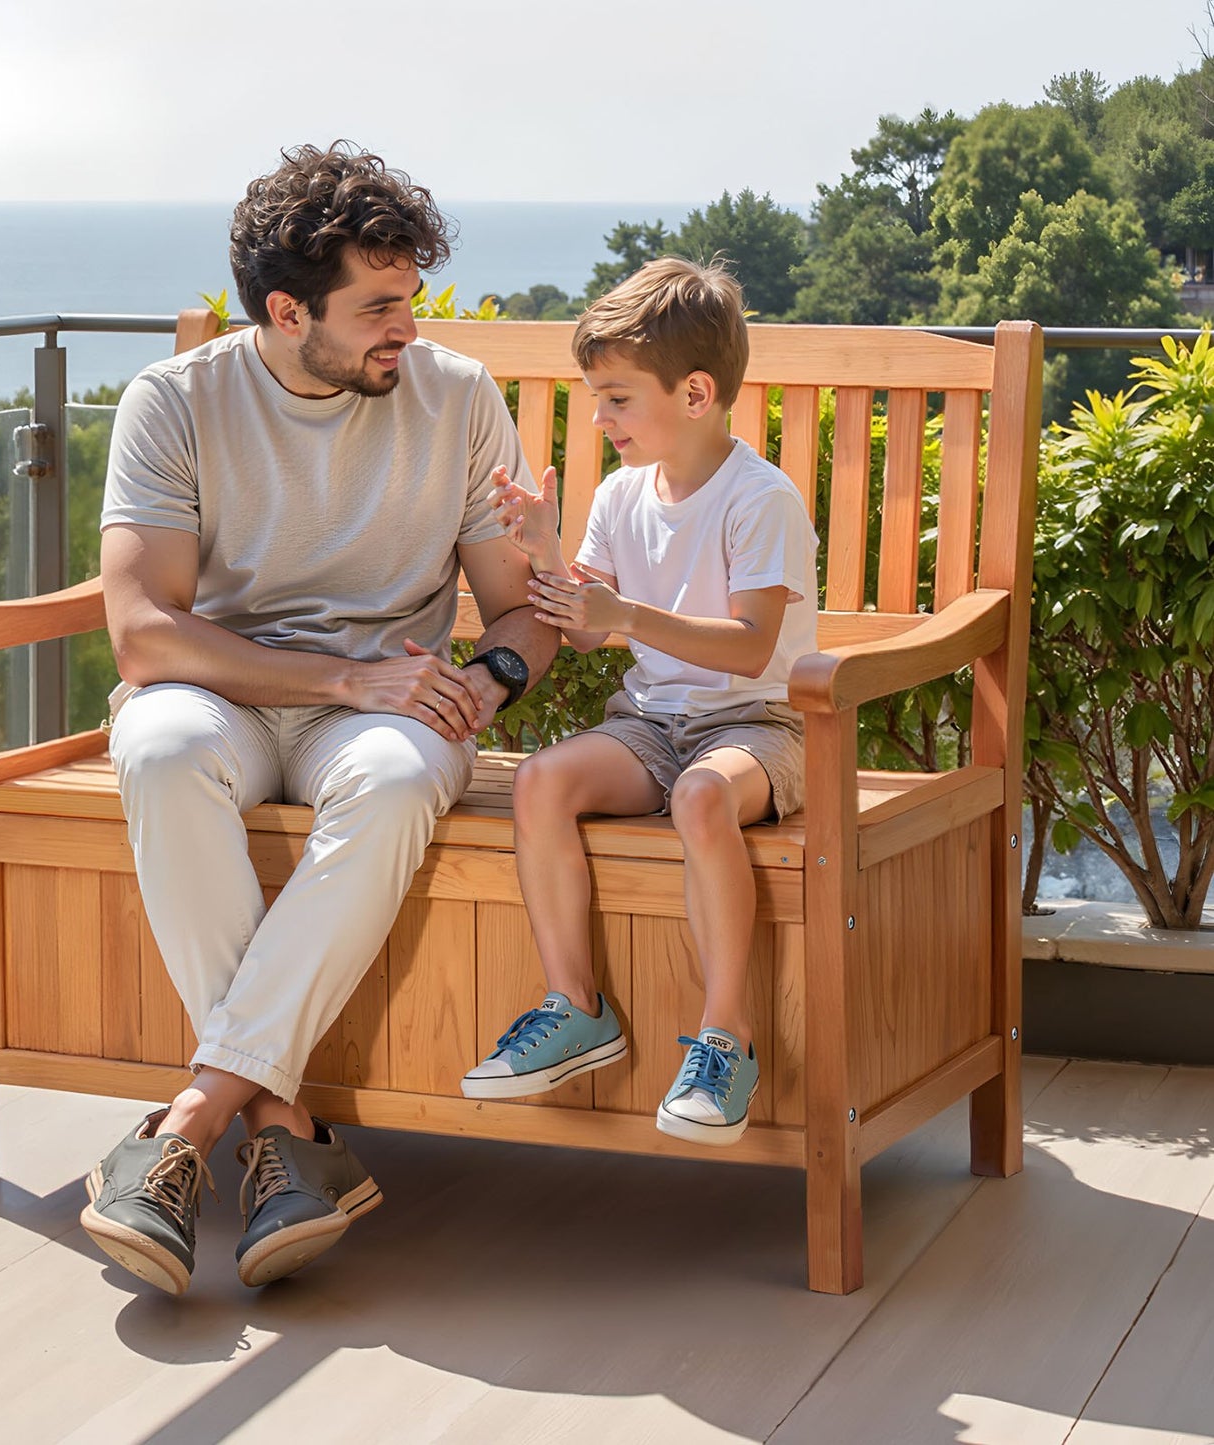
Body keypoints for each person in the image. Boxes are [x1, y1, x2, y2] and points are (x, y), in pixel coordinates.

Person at [81, 142, 557, 1296]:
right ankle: (279, 1127)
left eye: (411, 298)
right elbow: (144, 633)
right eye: (378, 306)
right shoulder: (174, 401)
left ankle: (188, 1127)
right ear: (288, 312)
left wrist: (480, 681)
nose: (407, 326)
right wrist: (344, 681)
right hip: (233, 692)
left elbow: (519, 614)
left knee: (397, 776)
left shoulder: (455, 397)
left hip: (387, 706)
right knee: (156, 741)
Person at [460, 256, 819, 1147]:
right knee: (542, 781)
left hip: (757, 725)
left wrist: (627, 616)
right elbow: (585, 629)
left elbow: (752, 648)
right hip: (652, 724)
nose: (599, 417)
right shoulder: (622, 495)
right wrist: (547, 554)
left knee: (701, 796)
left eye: (617, 398)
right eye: (594, 396)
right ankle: (575, 1004)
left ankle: (724, 1037)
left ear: (695, 393)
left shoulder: (757, 498)